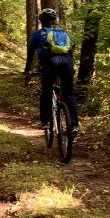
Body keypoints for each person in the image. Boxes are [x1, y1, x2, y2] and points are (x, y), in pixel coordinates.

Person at [23, 8, 79, 136]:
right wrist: (71, 66)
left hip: (50, 62)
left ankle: (45, 121)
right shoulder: (63, 33)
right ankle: (74, 125)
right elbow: (71, 49)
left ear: (41, 21)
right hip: (67, 62)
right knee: (69, 93)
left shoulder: (38, 34)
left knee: (46, 91)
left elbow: (31, 53)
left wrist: (27, 70)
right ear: (54, 20)